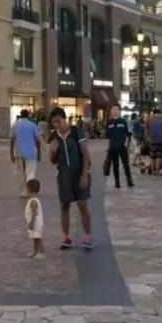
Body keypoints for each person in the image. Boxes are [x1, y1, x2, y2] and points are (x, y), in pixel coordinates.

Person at [48, 106, 92, 251]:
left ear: (64, 119)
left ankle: (87, 237)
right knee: (65, 205)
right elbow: (52, 161)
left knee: (82, 204)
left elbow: (85, 154)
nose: (56, 124)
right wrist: (52, 151)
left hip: (79, 173)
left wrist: (84, 175)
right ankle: (65, 238)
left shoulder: (76, 132)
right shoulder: (53, 137)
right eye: (53, 122)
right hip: (63, 175)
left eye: (58, 121)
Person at [10, 109, 42, 197]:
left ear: (20, 115)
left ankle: (24, 192)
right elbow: (37, 141)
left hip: (19, 153)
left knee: (23, 174)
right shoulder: (33, 125)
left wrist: (11, 154)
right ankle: (30, 191)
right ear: (28, 116)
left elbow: (12, 140)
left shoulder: (15, 125)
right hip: (31, 153)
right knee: (30, 172)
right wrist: (39, 153)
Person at [103, 104, 134, 188]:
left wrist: (127, 145)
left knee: (126, 164)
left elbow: (127, 134)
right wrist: (108, 148)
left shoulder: (123, 121)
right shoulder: (108, 123)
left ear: (119, 111)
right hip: (113, 147)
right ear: (111, 111)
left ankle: (129, 180)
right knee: (115, 165)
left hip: (122, 147)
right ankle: (117, 182)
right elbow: (107, 137)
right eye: (113, 109)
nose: (115, 111)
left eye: (116, 109)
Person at [24, 179, 44, 259]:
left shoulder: (33, 201)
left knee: (38, 238)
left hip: (36, 223)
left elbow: (34, 213)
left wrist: (31, 222)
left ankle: (41, 252)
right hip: (35, 223)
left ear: (29, 190)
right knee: (35, 238)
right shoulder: (33, 200)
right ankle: (35, 251)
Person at [147, 110, 162, 174]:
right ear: (158, 114)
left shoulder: (149, 121)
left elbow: (147, 130)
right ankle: (157, 171)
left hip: (152, 141)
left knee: (152, 157)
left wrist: (147, 139)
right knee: (159, 157)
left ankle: (153, 171)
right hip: (160, 141)